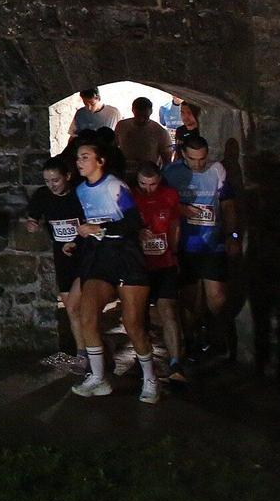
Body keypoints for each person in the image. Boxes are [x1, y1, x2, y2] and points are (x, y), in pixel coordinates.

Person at [68, 142, 159, 402]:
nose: (79, 162)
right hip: (100, 259)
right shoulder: (81, 190)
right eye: (77, 158)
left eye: (85, 157)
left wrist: (100, 228)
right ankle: (98, 377)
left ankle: (151, 379)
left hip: (126, 257)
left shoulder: (115, 186)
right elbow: (87, 226)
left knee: (133, 323)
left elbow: (133, 222)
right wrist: (78, 239)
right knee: (87, 315)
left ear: (100, 161)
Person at [165, 133, 240, 362]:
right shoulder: (170, 173)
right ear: (182, 155)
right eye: (193, 159)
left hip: (212, 244)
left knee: (217, 298)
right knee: (190, 301)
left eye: (202, 159)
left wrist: (233, 235)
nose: (198, 164)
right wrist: (180, 209)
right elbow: (160, 203)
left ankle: (221, 339)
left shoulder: (217, 170)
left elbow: (227, 205)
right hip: (185, 245)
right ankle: (194, 341)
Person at [22, 155, 85, 369]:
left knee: (80, 305)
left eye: (56, 180)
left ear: (67, 176)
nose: (52, 185)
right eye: (47, 181)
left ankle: (94, 353)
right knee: (71, 308)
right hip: (62, 257)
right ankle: (83, 353)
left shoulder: (80, 194)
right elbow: (33, 216)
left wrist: (77, 240)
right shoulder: (43, 195)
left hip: (86, 256)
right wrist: (32, 223)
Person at [129, 161, 187, 386]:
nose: (148, 188)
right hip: (139, 265)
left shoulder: (170, 195)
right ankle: (143, 358)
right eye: (144, 184)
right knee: (139, 315)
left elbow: (175, 225)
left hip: (164, 262)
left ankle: (175, 362)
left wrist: (174, 252)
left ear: (159, 180)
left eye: (152, 184)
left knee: (169, 310)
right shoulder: (131, 197)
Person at [114, 97, 173, 169]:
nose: (141, 120)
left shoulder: (161, 132)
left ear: (151, 111)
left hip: (148, 175)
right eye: (138, 116)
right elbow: (113, 148)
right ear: (133, 110)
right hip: (124, 172)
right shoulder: (121, 126)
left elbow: (167, 162)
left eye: (145, 116)